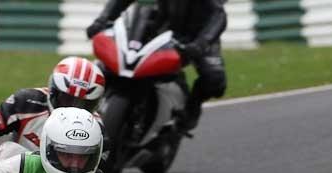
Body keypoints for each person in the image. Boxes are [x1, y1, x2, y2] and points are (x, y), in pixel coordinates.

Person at [86, 0, 227, 132]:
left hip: (199, 35)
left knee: (214, 79)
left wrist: (201, 43)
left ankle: (190, 110)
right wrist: (102, 20)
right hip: (165, 25)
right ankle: (90, 101)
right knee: (123, 57)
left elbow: (218, 15)